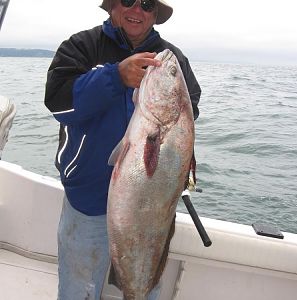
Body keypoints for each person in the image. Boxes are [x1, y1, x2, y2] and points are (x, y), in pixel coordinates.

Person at [44, 0, 201, 299]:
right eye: (128, 1)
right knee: (78, 286)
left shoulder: (172, 59)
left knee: (144, 282)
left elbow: (187, 113)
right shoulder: (82, 46)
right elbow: (58, 102)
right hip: (87, 197)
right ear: (113, 6)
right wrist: (114, 77)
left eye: (146, 4)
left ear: (155, 14)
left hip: (150, 206)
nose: (137, 10)